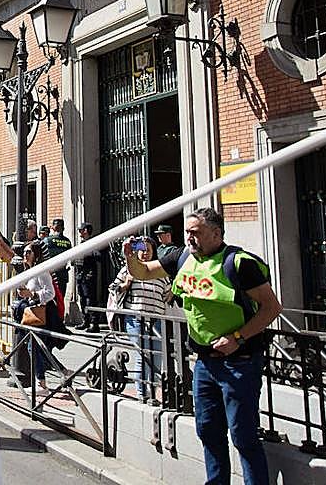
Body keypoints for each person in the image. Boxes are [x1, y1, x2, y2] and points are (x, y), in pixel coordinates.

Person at [126, 207, 282, 485]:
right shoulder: (181, 257)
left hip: (240, 361)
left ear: (216, 233)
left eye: (195, 233)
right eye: (187, 232)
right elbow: (143, 272)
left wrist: (238, 338)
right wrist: (129, 256)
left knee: (243, 435)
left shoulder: (239, 263)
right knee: (208, 430)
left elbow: (271, 308)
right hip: (203, 362)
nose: (189, 238)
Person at [110, 237, 170, 403]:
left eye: (149, 250)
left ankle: (153, 391)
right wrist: (125, 285)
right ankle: (142, 393)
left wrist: (173, 293)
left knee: (156, 356)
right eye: (142, 250)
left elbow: (168, 291)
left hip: (157, 319)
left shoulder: (159, 270)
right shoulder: (129, 269)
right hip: (136, 318)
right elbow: (113, 288)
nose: (145, 253)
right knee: (142, 356)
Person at [11, 240, 63, 394]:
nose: (25, 255)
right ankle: (61, 372)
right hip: (32, 313)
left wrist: (31, 294)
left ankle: (42, 385)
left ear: (36, 254)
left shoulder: (41, 271)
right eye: (25, 252)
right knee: (39, 349)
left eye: (29, 252)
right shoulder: (31, 270)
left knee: (34, 348)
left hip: (41, 316)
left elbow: (50, 293)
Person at [73, 222, 103, 332]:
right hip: (80, 276)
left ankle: (94, 324)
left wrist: (89, 252)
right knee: (82, 300)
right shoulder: (81, 243)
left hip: (88, 277)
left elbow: (99, 256)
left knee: (91, 300)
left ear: (86, 231)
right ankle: (85, 321)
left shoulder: (93, 243)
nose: (79, 232)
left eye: (81, 230)